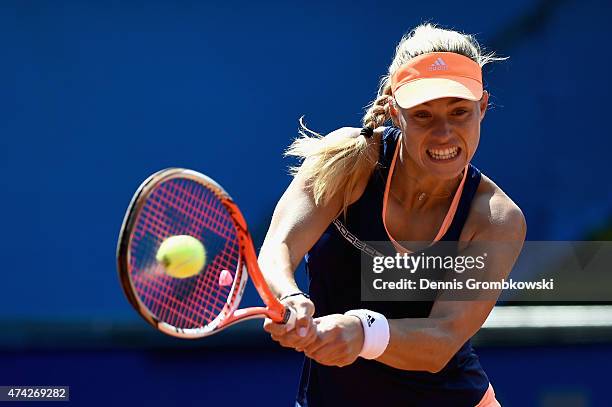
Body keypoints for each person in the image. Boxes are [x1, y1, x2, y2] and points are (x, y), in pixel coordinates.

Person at [259, 23, 526, 407]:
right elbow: (279, 246)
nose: (445, 133)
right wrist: (288, 297)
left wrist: (362, 331)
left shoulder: (497, 219)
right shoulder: (348, 162)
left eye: (460, 112)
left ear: (482, 107)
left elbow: (443, 339)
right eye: (423, 115)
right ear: (394, 110)